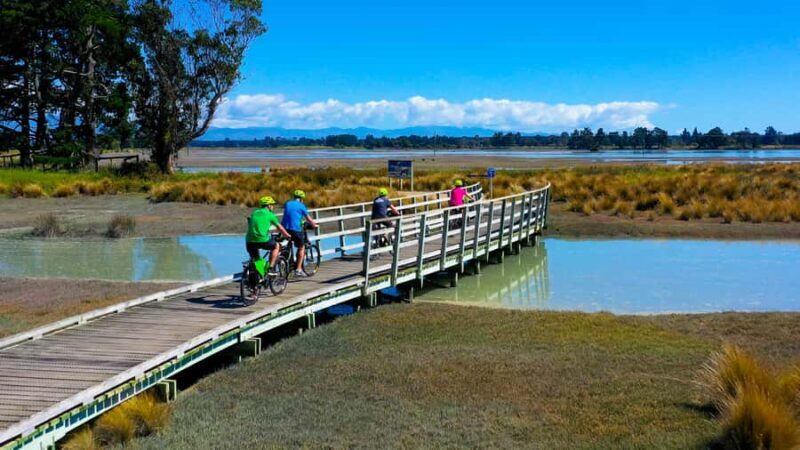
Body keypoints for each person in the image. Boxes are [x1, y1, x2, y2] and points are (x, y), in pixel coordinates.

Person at [246, 196, 290, 276]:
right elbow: (279, 227)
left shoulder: (254, 212)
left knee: (257, 259)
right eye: (272, 204)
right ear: (269, 205)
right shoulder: (270, 215)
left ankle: (259, 278)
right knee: (276, 246)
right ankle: (271, 268)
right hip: (262, 240)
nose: (273, 206)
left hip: (249, 241)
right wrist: (287, 235)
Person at [281, 189, 318, 277]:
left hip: (284, 228)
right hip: (295, 229)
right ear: (301, 199)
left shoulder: (288, 203)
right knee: (301, 247)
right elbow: (308, 218)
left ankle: (286, 264)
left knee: (288, 244)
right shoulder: (302, 206)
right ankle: (298, 269)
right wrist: (314, 225)